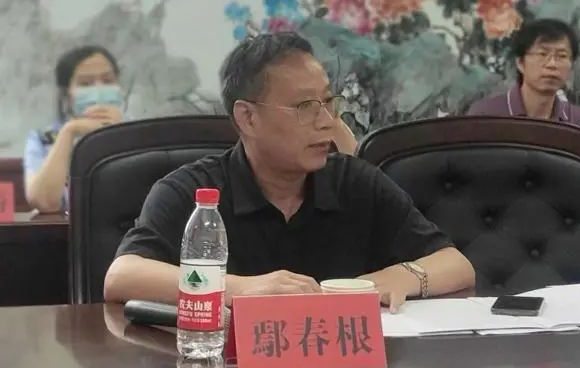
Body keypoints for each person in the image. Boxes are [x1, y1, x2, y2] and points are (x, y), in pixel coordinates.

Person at [104, 32, 475, 311]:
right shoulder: (195, 192)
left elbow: (456, 264)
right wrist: (240, 289)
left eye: (328, 102)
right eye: (305, 107)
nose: (326, 121)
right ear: (248, 117)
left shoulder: (354, 182)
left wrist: (396, 278)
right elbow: (122, 276)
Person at [24, 46, 124, 213]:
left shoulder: (140, 133)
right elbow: (44, 203)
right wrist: (69, 132)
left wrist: (121, 134)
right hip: (67, 229)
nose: (99, 90)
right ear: (66, 95)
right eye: (85, 84)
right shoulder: (43, 139)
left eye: (107, 81)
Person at [468, 19, 580, 131]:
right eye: (542, 54)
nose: (552, 64)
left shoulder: (579, 121)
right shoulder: (485, 115)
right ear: (520, 63)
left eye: (561, 56)